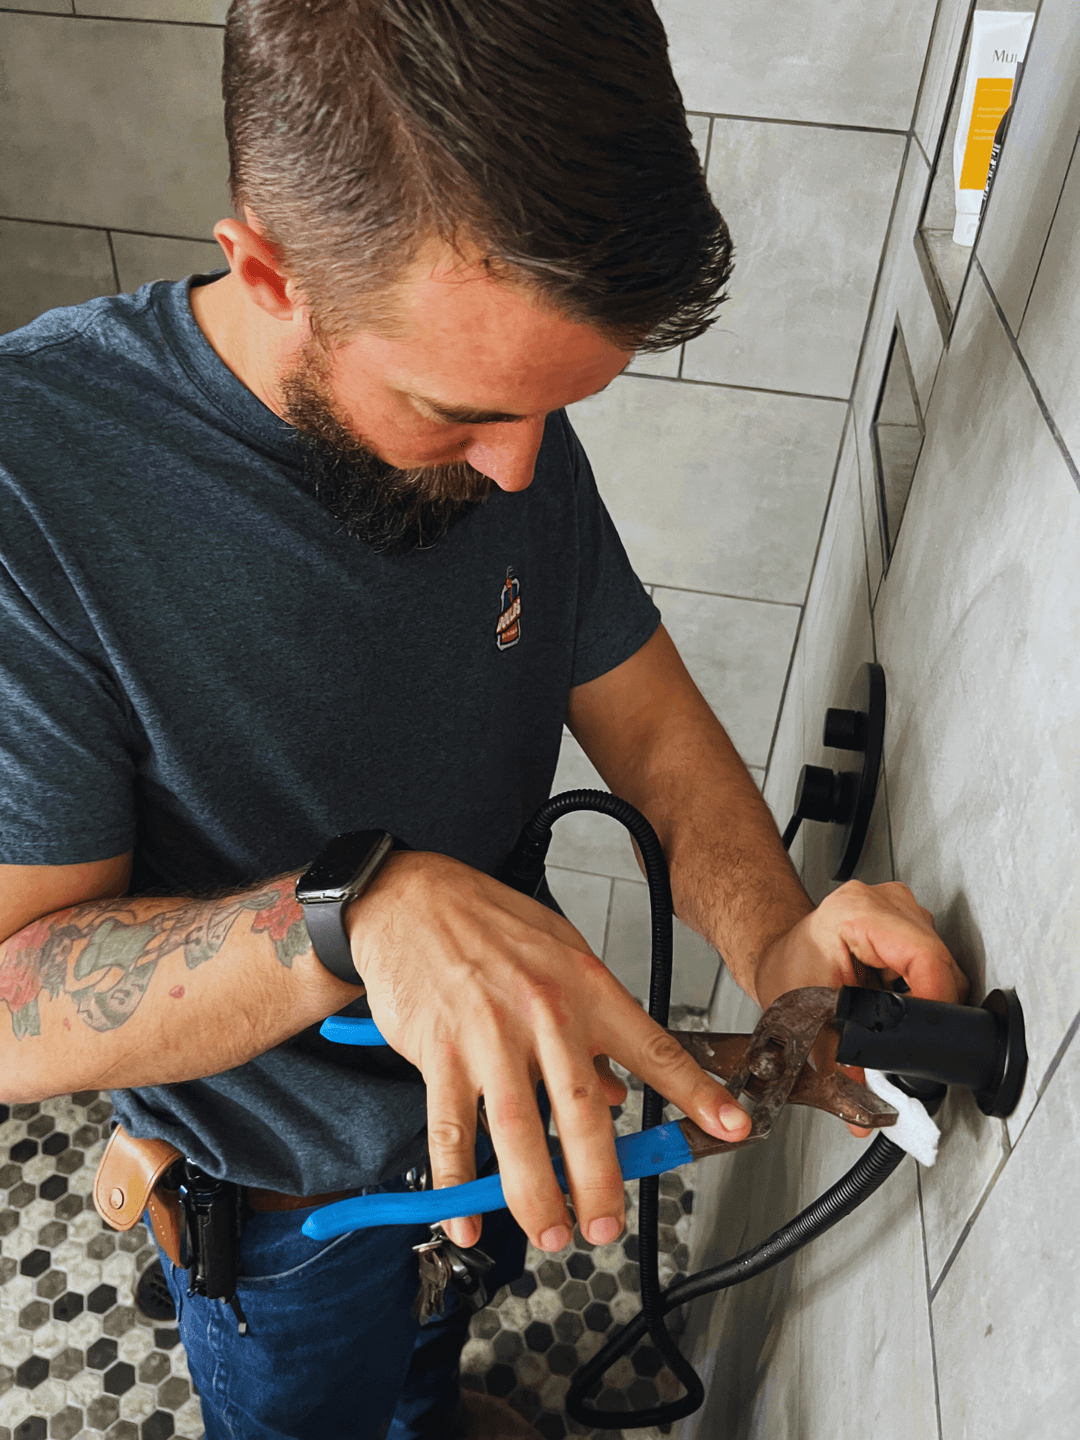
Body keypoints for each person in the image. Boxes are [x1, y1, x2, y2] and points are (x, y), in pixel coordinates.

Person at [0, 2, 966, 1436]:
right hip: (281, 1220)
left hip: (493, 1124)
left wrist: (776, 942)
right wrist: (354, 918)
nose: (520, 473)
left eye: (551, 414)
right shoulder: (39, 490)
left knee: (428, 1373)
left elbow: (646, 721)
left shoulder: (499, 391)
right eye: (458, 417)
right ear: (265, 270)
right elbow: (14, 1004)